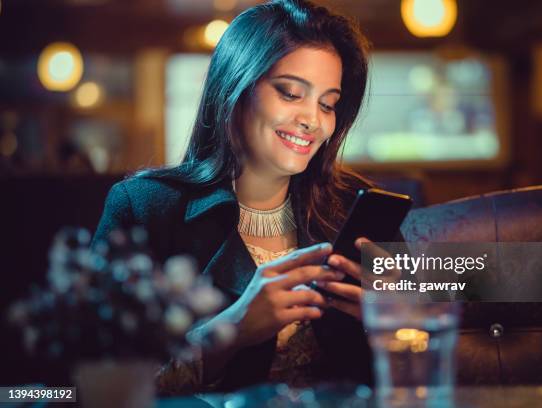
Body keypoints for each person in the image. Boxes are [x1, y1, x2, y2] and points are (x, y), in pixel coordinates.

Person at [93, 0, 374, 394]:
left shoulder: (351, 208)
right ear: (235, 89)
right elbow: (89, 386)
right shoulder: (144, 208)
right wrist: (229, 330)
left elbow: (485, 279)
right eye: (291, 94)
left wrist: (406, 315)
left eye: (327, 104)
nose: (312, 119)